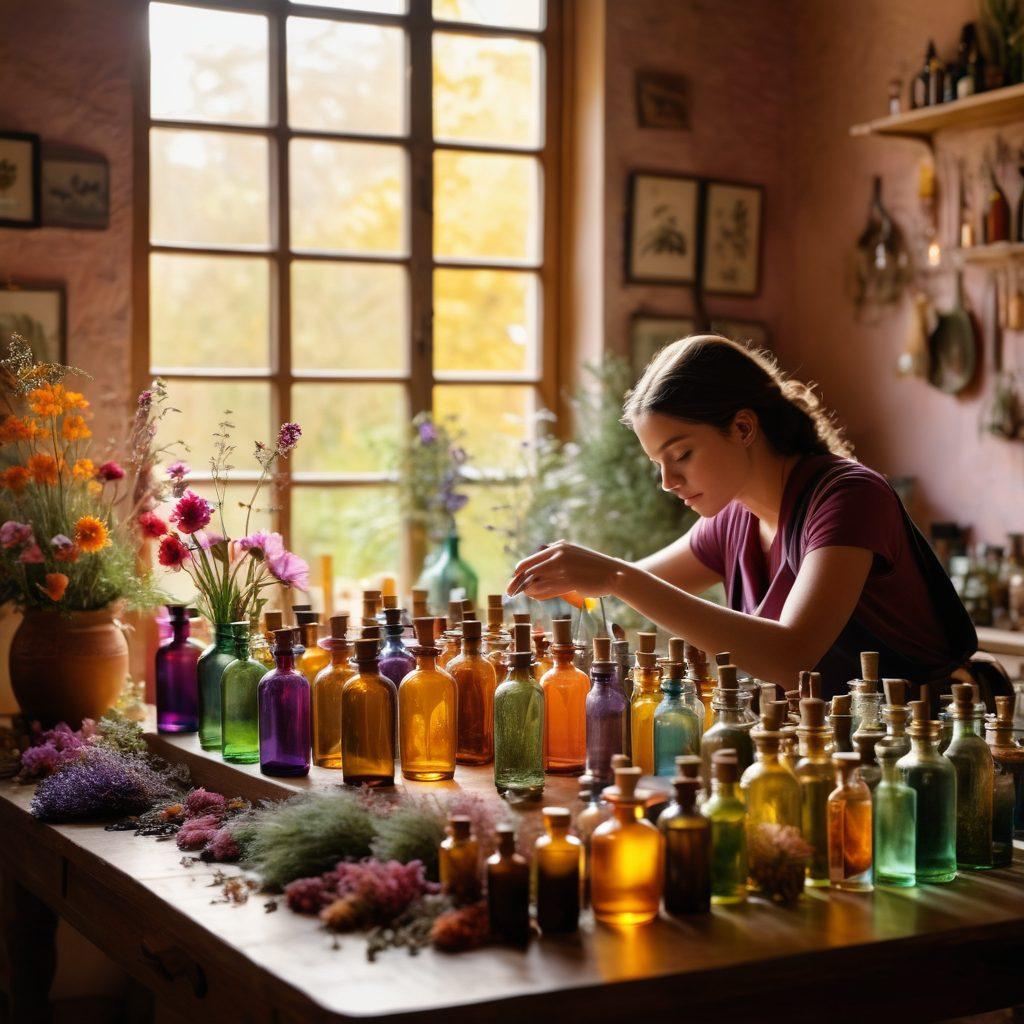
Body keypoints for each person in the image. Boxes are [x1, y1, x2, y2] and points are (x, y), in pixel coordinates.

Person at [507, 335, 983, 701]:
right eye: (658, 464)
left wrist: (613, 576)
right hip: (823, 752)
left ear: (742, 427)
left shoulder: (848, 498)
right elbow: (627, 588)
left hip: (921, 752)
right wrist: (557, 598)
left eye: (682, 454)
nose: (668, 481)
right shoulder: (734, 519)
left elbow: (790, 656)